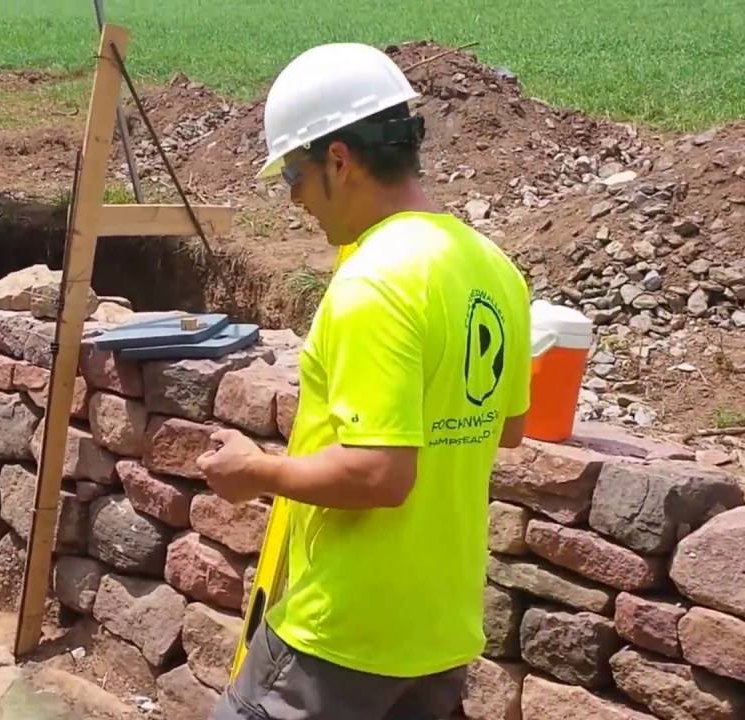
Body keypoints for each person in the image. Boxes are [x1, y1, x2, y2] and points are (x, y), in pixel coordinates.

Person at [197, 43, 532, 719]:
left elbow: (380, 474)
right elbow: (509, 427)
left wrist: (256, 471)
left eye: (294, 175)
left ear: (339, 160)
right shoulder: (493, 267)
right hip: (438, 635)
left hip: (344, 634)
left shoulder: (374, 281)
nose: (295, 199)